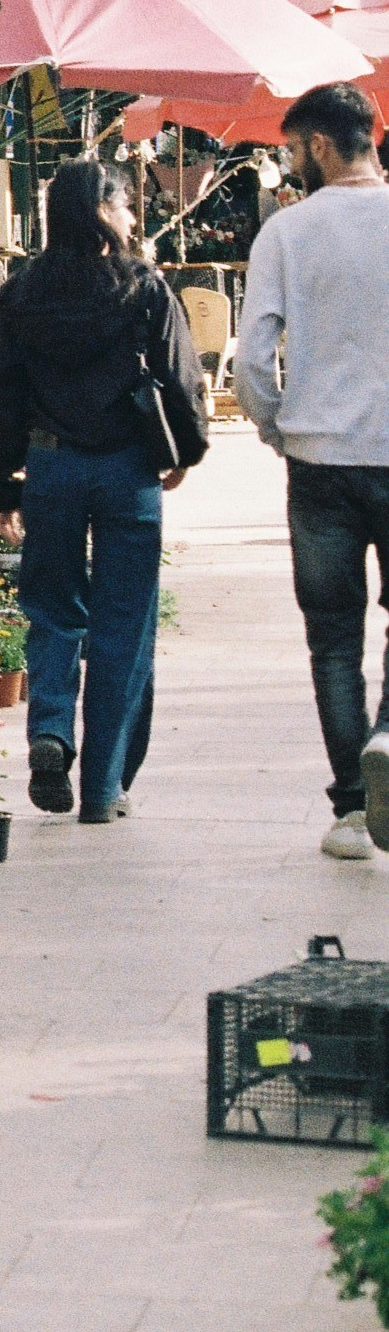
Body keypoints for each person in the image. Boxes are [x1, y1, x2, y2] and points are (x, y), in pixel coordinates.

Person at [0, 161, 207, 826]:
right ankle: (104, 787)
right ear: (103, 211)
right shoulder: (143, 289)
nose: (133, 214)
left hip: (50, 469)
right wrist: (183, 452)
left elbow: (4, 395)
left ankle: (51, 726)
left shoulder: (21, 296)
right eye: (125, 204)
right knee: (124, 623)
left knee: (52, 606)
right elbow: (181, 380)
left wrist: (0, 484)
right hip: (128, 470)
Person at [236, 81, 389, 861]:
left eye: (292, 150)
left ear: (322, 147)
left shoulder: (288, 234)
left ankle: (353, 812)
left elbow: (253, 360)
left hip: (321, 462)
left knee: (333, 640)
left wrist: (274, 427)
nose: (290, 165)